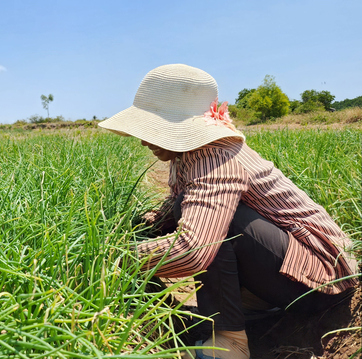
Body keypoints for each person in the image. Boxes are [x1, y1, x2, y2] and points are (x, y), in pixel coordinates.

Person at [98, 64, 358, 359]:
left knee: (216, 223)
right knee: (189, 209)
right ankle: (253, 304)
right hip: (295, 267)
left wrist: (116, 257)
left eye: (155, 130)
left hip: (323, 278)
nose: (145, 141)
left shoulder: (214, 156)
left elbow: (193, 248)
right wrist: (138, 227)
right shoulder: (188, 155)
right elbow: (176, 206)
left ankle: (229, 341)